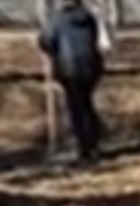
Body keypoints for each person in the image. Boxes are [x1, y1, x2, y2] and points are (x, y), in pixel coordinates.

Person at [38, 0, 106, 164]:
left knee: (77, 108)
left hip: (70, 69)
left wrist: (43, 41)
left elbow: (47, 40)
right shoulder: (89, 18)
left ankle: (85, 147)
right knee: (86, 104)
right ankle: (93, 141)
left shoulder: (58, 20)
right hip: (90, 67)